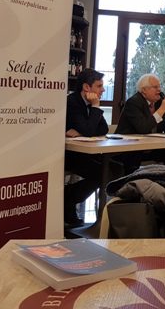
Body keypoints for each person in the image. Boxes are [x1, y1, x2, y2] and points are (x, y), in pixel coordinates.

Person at [64, 68, 108, 226]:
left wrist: (81, 132)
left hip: (84, 153)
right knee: (101, 173)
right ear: (86, 87)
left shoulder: (88, 103)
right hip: (67, 154)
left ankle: (68, 200)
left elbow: (103, 129)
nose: (103, 90)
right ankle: (67, 200)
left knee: (109, 169)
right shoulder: (72, 102)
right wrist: (95, 106)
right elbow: (89, 131)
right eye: (99, 86)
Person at [116, 73, 165, 173]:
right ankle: (133, 181)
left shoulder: (159, 102)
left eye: (159, 86)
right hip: (129, 146)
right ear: (144, 90)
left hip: (150, 145)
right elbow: (143, 128)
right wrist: (162, 109)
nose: (159, 90)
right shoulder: (133, 102)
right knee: (133, 155)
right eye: (155, 87)